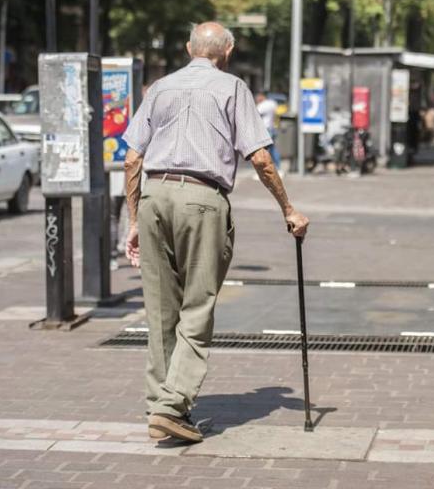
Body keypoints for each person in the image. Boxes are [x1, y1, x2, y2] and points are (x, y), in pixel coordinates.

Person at [122, 22, 309, 443]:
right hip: (202, 199)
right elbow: (260, 158)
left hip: (155, 196)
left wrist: (134, 220)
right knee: (197, 306)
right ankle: (173, 405)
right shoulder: (233, 88)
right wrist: (288, 208)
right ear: (228, 52)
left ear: (189, 48)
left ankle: (161, 404)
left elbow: (132, 159)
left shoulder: (160, 89)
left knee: (159, 310)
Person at [255, 92, 282, 175]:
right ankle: (278, 168)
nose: (257, 99)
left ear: (262, 96)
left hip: (265, 130)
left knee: (263, 150)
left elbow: (255, 114)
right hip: (272, 128)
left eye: (258, 97)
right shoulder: (273, 103)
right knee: (273, 150)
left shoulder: (263, 105)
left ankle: (264, 171)